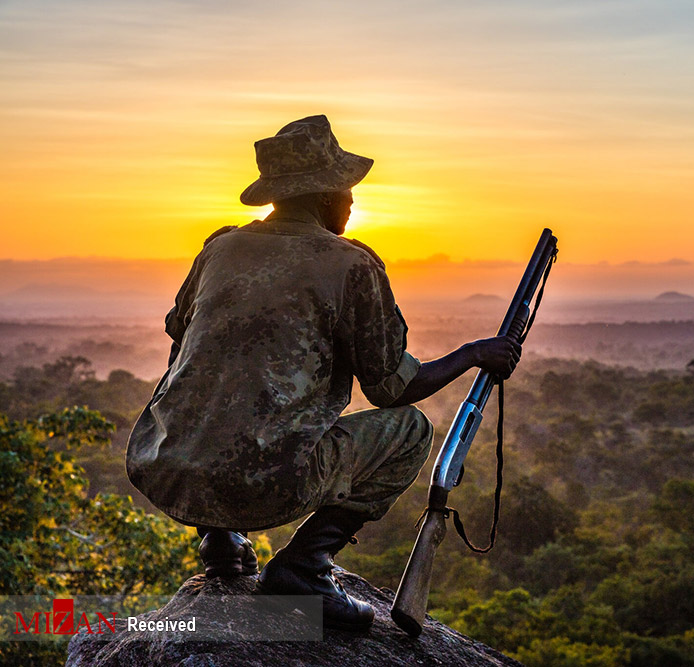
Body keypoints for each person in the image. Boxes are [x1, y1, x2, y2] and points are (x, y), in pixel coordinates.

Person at [125, 115, 521, 630]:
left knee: (204, 385)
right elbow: (393, 388)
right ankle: (304, 566)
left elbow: (180, 334)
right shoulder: (351, 265)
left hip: (167, 465)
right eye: (347, 189)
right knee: (410, 431)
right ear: (323, 195)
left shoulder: (219, 248)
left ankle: (219, 539)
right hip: (266, 484)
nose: (353, 201)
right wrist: (472, 354)